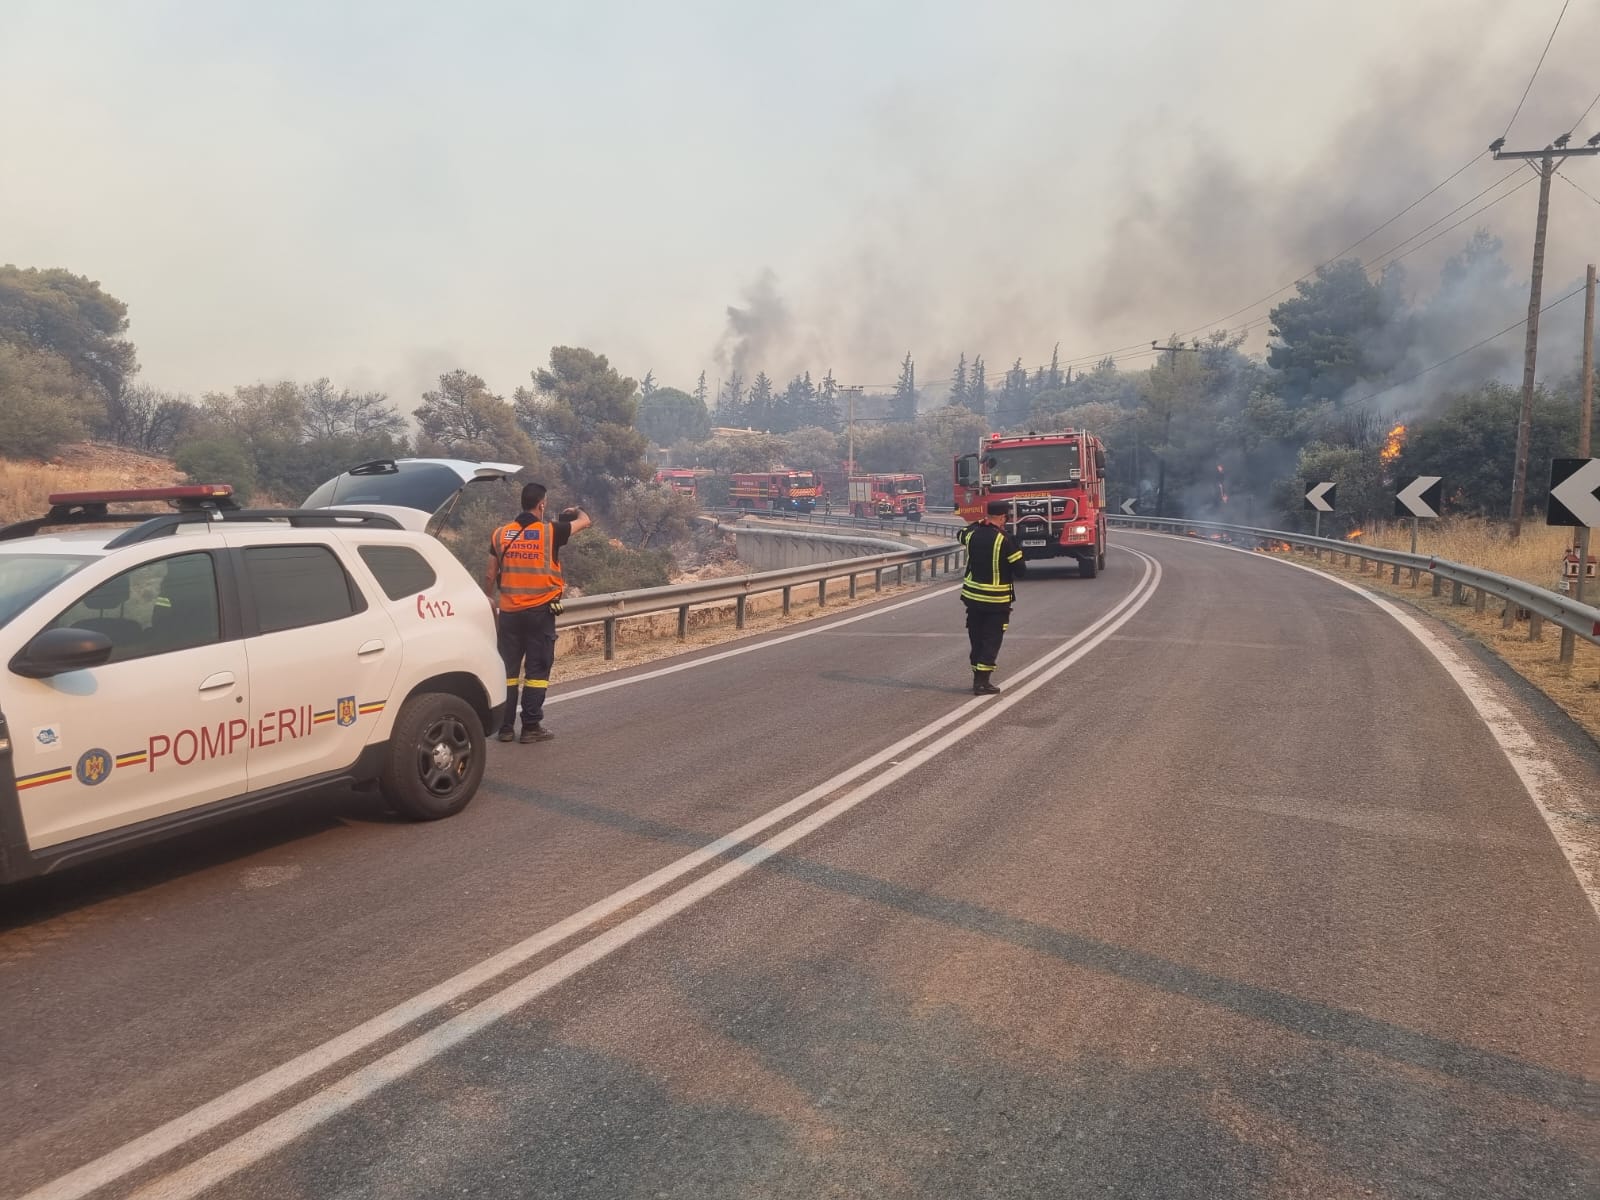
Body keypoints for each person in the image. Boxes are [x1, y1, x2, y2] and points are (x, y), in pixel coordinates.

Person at [487, 483, 591, 743]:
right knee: (537, 670)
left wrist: (489, 598)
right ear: (541, 504)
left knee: (508, 672)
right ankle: (531, 727)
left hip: (509, 613)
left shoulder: (500, 534)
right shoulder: (550, 532)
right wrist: (576, 510)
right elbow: (585, 521)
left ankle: (505, 728)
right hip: (539, 613)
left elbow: (490, 574)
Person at [958, 499, 1026, 695]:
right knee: (991, 640)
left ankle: (976, 679)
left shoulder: (971, 534)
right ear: (1004, 517)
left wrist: (981, 521)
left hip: (973, 598)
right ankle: (982, 682)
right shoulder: (1005, 539)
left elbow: (961, 533)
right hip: (996, 601)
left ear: (987, 516)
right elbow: (1021, 571)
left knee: (977, 638)